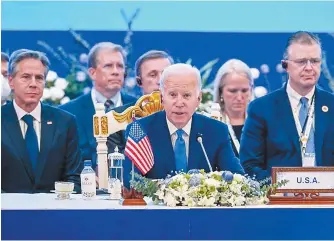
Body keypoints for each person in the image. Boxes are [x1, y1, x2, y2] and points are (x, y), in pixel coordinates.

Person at [123, 63, 245, 187]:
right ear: (161, 97)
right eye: (172, 95)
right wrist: (169, 189)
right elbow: (131, 180)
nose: (179, 103)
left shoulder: (216, 131)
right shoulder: (139, 129)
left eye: (186, 95)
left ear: (198, 98)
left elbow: (237, 178)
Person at [240, 31, 334, 182]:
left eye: (315, 61)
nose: (309, 68)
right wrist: (282, 187)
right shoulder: (261, 109)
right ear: (286, 65)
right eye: (301, 61)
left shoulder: (331, 105)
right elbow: (249, 165)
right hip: (279, 200)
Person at [1, 49, 82, 193]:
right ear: (11, 81)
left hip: (54, 210)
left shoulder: (65, 122)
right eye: (26, 77)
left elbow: (74, 177)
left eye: (39, 78)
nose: (33, 84)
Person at [60, 42, 136, 169]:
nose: (116, 72)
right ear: (92, 73)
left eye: (120, 66)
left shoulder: (138, 108)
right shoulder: (68, 113)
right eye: (108, 66)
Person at [107, 50, 174, 153]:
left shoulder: (186, 113)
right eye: (152, 75)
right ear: (139, 81)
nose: (161, 80)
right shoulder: (116, 118)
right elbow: (111, 164)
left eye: (166, 74)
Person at [213, 59, 254, 157]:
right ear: (220, 91)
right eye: (233, 91)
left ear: (251, 90)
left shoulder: (263, 122)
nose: (239, 97)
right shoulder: (211, 122)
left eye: (244, 90)